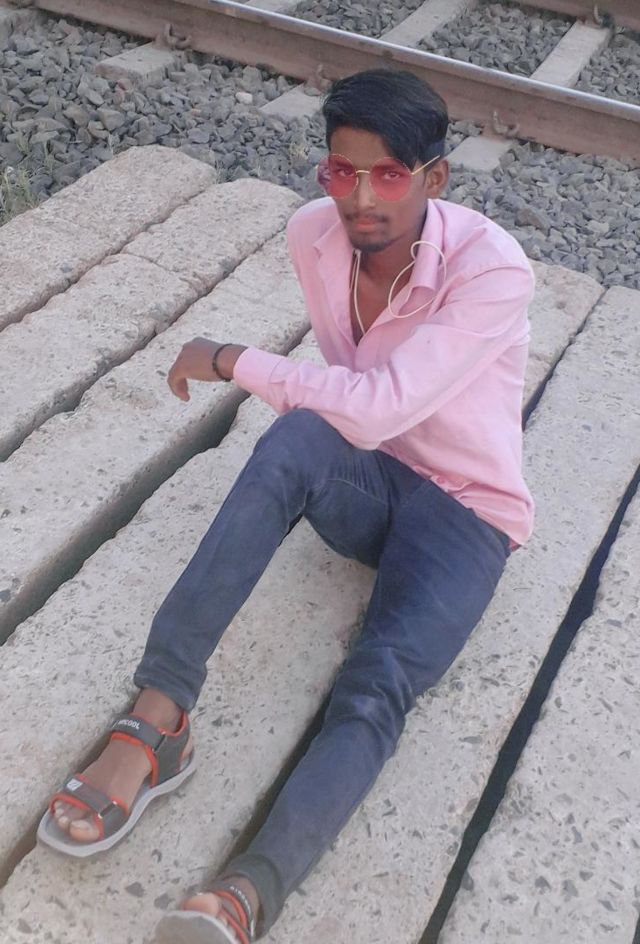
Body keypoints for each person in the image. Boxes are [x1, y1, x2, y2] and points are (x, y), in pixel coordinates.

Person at [39, 69, 535, 944]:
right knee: (296, 439)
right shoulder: (315, 235)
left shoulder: (493, 269)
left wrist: (233, 358)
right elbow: (349, 413)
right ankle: (159, 718)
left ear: (435, 178)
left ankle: (245, 893)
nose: (361, 199)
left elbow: (377, 405)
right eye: (343, 172)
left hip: (467, 514)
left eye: (389, 175)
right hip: (371, 478)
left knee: (376, 685)